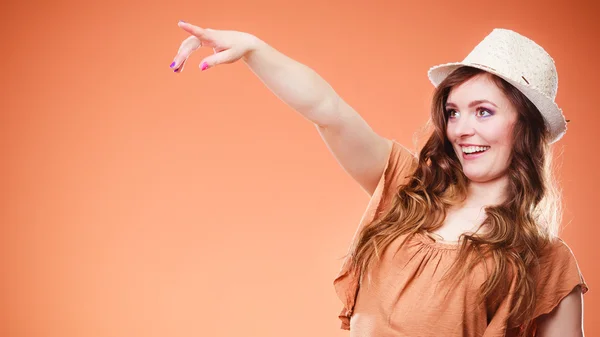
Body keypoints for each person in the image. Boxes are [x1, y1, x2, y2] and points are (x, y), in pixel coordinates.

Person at [170, 23, 588, 336]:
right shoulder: (408, 188)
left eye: (483, 111)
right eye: (453, 111)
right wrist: (255, 50)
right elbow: (327, 110)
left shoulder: (547, 261)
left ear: (526, 126)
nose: (460, 129)